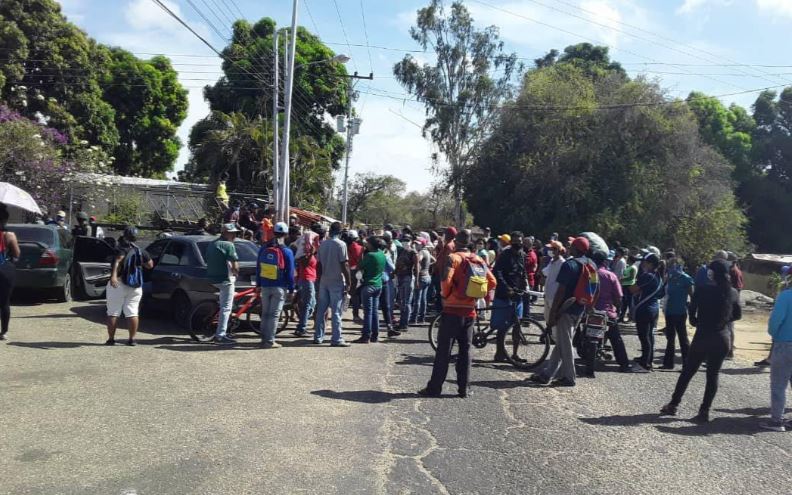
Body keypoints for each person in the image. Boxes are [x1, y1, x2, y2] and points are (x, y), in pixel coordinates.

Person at [660, 259, 742, 423]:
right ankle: (704, 411)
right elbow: (738, 315)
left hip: (703, 336)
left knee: (688, 372)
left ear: (711, 273)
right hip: (722, 338)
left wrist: (696, 321)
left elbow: (692, 313)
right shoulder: (732, 292)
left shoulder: (702, 290)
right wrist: (724, 321)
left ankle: (673, 404)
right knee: (713, 376)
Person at [419, 230, 496, 398]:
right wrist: (475, 295)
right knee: (466, 351)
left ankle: (435, 388)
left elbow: (446, 281)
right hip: (470, 312)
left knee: (444, 351)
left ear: (456, 241)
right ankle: (464, 389)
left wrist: (446, 295)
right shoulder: (478, 259)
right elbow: (492, 282)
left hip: (452, 310)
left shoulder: (453, 258)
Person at [530, 237, 593, 387]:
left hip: (565, 308)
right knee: (562, 342)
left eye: (570, 245)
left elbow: (561, 291)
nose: (568, 247)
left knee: (565, 343)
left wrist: (553, 312)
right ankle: (547, 374)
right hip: (579, 308)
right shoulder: (590, 264)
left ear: (575, 249)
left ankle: (569, 377)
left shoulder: (569, 265)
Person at [589, 253, 636, 375]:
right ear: (605, 262)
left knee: (580, 332)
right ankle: (624, 365)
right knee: (616, 339)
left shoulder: (590, 274)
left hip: (589, 312)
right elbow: (619, 298)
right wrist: (617, 310)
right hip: (607, 314)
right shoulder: (611, 276)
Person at [105, 226, 153, 346]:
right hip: (135, 285)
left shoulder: (120, 249)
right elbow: (150, 265)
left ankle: (111, 339)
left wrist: (113, 276)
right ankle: (132, 339)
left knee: (113, 312)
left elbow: (118, 261)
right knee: (132, 312)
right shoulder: (141, 251)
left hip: (119, 283)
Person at [760, 272, 792, 431]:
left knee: (779, 384)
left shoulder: (786, 296)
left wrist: (774, 334)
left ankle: (776, 420)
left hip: (785, 343)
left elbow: (776, 320)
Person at [256, 222, 295, 349]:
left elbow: (258, 267)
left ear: (273, 232)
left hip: (265, 285)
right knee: (274, 315)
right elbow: (290, 272)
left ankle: (263, 339)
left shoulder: (263, 248)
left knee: (265, 313)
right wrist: (291, 288)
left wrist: (258, 283)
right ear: (286, 234)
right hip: (280, 286)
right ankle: (270, 341)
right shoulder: (287, 251)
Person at [313, 222, 352, 346]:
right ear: (340, 232)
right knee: (336, 311)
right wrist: (349, 281)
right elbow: (344, 264)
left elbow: (318, 264)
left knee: (321, 310)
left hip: (324, 280)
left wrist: (319, 278)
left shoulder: (323, 244)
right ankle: (336, 339)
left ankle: (318, 337)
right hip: (336, 281)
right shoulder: (341, 244)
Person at [491, 232, 528, 362]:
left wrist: (525, 285)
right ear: (511, 242)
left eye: (520, 241)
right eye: (515, 241)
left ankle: (514, 354)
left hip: (518, 296)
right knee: (502, 327)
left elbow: (523, 273)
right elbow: (497, 273)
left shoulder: (523, 255)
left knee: (517, 326)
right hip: (504, 295)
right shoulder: (504, 255)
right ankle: (499, 353)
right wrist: (507, 288)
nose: (518, 243)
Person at [205, 223, 241, 345]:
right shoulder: (229, 245)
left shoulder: (212, 243)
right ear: (226, 233)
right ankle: (221, 335)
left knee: (223, 304)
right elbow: (235, 264)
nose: (234, 235)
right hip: (226, 279)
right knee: (226, 307)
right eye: (233, 233)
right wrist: (237, 273)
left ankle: (220, 324)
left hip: (212, 278)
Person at [630, 253, 665, 371]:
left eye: (644, 262)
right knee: (649, 336)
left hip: (645, 308)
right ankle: (647, 359)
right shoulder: (658, 276)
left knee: (644, 337)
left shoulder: (648, 276)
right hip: (654, 308)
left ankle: (644, 365)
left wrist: (632, 279)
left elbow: (633, 289)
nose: (642, 264)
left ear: (650, 263)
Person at [662, 258, 694, 370]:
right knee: (670, 338)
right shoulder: (669, 277)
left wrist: (692, 311)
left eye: (674, 265)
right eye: (670, 265)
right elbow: (663, 292)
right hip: (669, 311)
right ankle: (668, 363)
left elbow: (692, 296)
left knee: (683, 338)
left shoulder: (686, 279)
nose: (672, 267)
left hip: (680, 312)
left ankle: (687, 364)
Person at [354, 236, 387, 343]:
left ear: (371, 245)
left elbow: (359, 266)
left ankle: (366, 336)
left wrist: (362, 254)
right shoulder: (382, 254)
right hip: (378, 285)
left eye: (367, 243)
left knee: (367, 312)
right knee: (375, 312)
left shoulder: (369, 255)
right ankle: (375, 335)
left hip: (368, 285)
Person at [0, 204, 20, 340]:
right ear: (6, 220)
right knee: (4, 302)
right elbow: (17, 254)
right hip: (4, 269)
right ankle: (4, 332)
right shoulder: (9, 235)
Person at [294, 231, 319, 337]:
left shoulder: (308, 253)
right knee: (308, 305)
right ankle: (301, 328)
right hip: (306, 280)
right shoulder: (304, 254)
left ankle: (301, 325)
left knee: (311, 304)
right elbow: (304, 264)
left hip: (309, 280)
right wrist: (311, 253)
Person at [395, 235, 420, 331]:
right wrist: (395, 272)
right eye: (403, 240)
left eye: (407, 240)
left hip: (408, 278)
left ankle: (404, 324)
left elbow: (417, 267)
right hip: (401, 278)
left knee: (407, 302)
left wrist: (417, 280)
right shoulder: (402, 251)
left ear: (411, 241)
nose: (405, 242)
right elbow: (398, 264)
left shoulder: (414, 253)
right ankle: (402, 323)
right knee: (401, 302)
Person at [541, 240, 566, 329]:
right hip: (548, 294)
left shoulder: (562, 263)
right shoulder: (552, 261)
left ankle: (554, 338)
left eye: (554, 249)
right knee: (547, 317)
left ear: (559, 251)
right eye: (551, 248)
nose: (551, 250)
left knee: (554, 317)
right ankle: (549, 335)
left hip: (555, 295)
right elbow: (545, 273)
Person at [410, 239, 434, 325]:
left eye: (417, 244)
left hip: (421, 277)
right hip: (427, 277)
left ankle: (414, 319)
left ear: (422, 245)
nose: (416, 245)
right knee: (423, 300)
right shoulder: (427, 252)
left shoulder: (421, 253)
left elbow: (417, 260)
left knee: (417, 300)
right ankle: (421, 318)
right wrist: (427, 266)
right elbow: (434, 260)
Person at [727, 254, 744, 359]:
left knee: (729, 327)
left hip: (730, 303)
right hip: (731, 302)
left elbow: (736, 289)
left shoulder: (733, 271)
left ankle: (729, 352)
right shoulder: (736, 270)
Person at [346, 230, 365, 323]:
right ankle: (356, 315)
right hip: (356, 272)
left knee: (350, 293)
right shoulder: (359, 247)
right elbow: (361, 262)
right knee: (357, 294)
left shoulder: (344, 246)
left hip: (346, 271)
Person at [618, 252, 637, 323]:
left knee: (630, 302)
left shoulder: (633, 268)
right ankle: (621, 317)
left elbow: (631, 277)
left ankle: (631, 318)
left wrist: (622, 279)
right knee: (624, 302)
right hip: (625, 285)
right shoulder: (629, 266)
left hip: (629, 286)